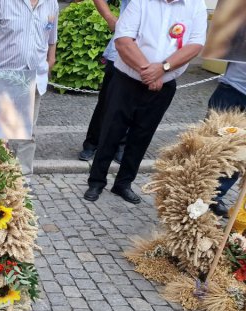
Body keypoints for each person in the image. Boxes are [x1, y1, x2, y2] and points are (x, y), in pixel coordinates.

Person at [84, 0, 207, 204]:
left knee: (142, 136)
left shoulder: (196, 5)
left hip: (163, 85)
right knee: (110, 131)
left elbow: (195, 45)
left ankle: (123, 183)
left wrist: (163, 68)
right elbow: (123, 40)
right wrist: (149, 72)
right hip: (126, 80)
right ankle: (96, 181)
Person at [0, 0, 58, 175]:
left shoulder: (52, 3)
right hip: (5, 78)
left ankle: (23, 179)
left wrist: (51, 60)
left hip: (34, 78)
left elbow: (52, 36)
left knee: (28, 132)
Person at [78, 0, 130, 164]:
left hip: (148, 54)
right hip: (121, 49)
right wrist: (109, 17)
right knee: (106, 101)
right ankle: (93, 142)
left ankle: (121, 145)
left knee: (130, 105)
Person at [208, 62, 246, 217]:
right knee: (210, 143)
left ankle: (216, 195)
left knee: (240, 152)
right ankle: (192, 188)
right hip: (231, 88)